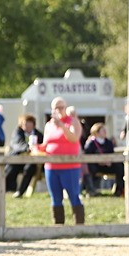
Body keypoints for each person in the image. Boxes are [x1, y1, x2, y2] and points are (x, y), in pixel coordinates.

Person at [43, 96, 84, 225]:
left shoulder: (73, 122)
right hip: (51, 167)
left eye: (61, 107)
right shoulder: (48, 125)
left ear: (66, 108)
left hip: (70, 167)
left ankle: (79, 226)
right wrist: (35, 147)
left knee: (74, 196)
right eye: (56, 108)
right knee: (55, 198)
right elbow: (45, 144)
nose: (59, 110)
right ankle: (58, 226)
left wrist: (61, 126)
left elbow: (74, 139)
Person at [82, 122, 124, 197]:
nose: (105, 132)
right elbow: (87, 156)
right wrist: (99, 162)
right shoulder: (90, 143)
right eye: (103, 130)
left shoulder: (108, 143)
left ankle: (119, 190)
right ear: (97, 132)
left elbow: (112, 154)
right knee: (89, 167)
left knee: (119, 166)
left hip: (107, 165)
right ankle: (91, 190)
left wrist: (109, 161)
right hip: (96, 166)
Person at [5, 114, 42, 198]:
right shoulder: (17, 132)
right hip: (18, 160)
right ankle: (5, 189)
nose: (27, 126)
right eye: (25, 124)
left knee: (29, 168)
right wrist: (27, 148)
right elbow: (17, 144)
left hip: (32, 162)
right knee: (11, 168)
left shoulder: (38, 134)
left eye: (29, 124)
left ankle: (20, 192)